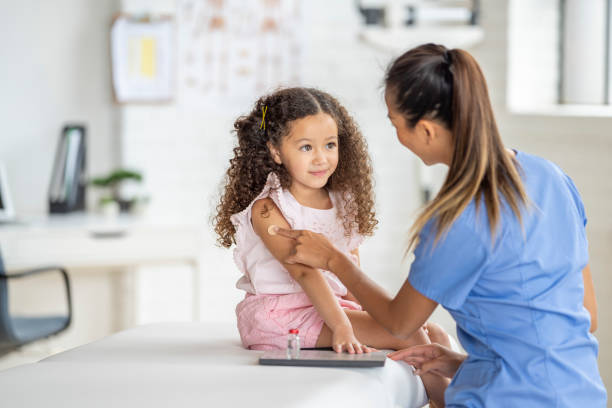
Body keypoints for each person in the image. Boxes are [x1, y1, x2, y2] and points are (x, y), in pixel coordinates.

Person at [269, 45, 607, 407]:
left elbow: (399, 322)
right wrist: (469, 364)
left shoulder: (456, 219)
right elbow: (585, 316)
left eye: (396, 124)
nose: (398, 136)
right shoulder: (551, 177)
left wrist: (335, 260)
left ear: (427, 131)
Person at [213, 87, 450, 406]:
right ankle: (451, 403)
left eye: (330, 145)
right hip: (281, 313)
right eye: (306, 147)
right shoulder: (268, 209)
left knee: (433, 334)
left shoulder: (342, 202)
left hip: (326, 307)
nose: (321, 157)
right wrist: (342, 327)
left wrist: (367, 316)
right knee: (408, 336)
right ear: (276, 151)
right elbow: (306, 275)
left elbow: (350, 274)